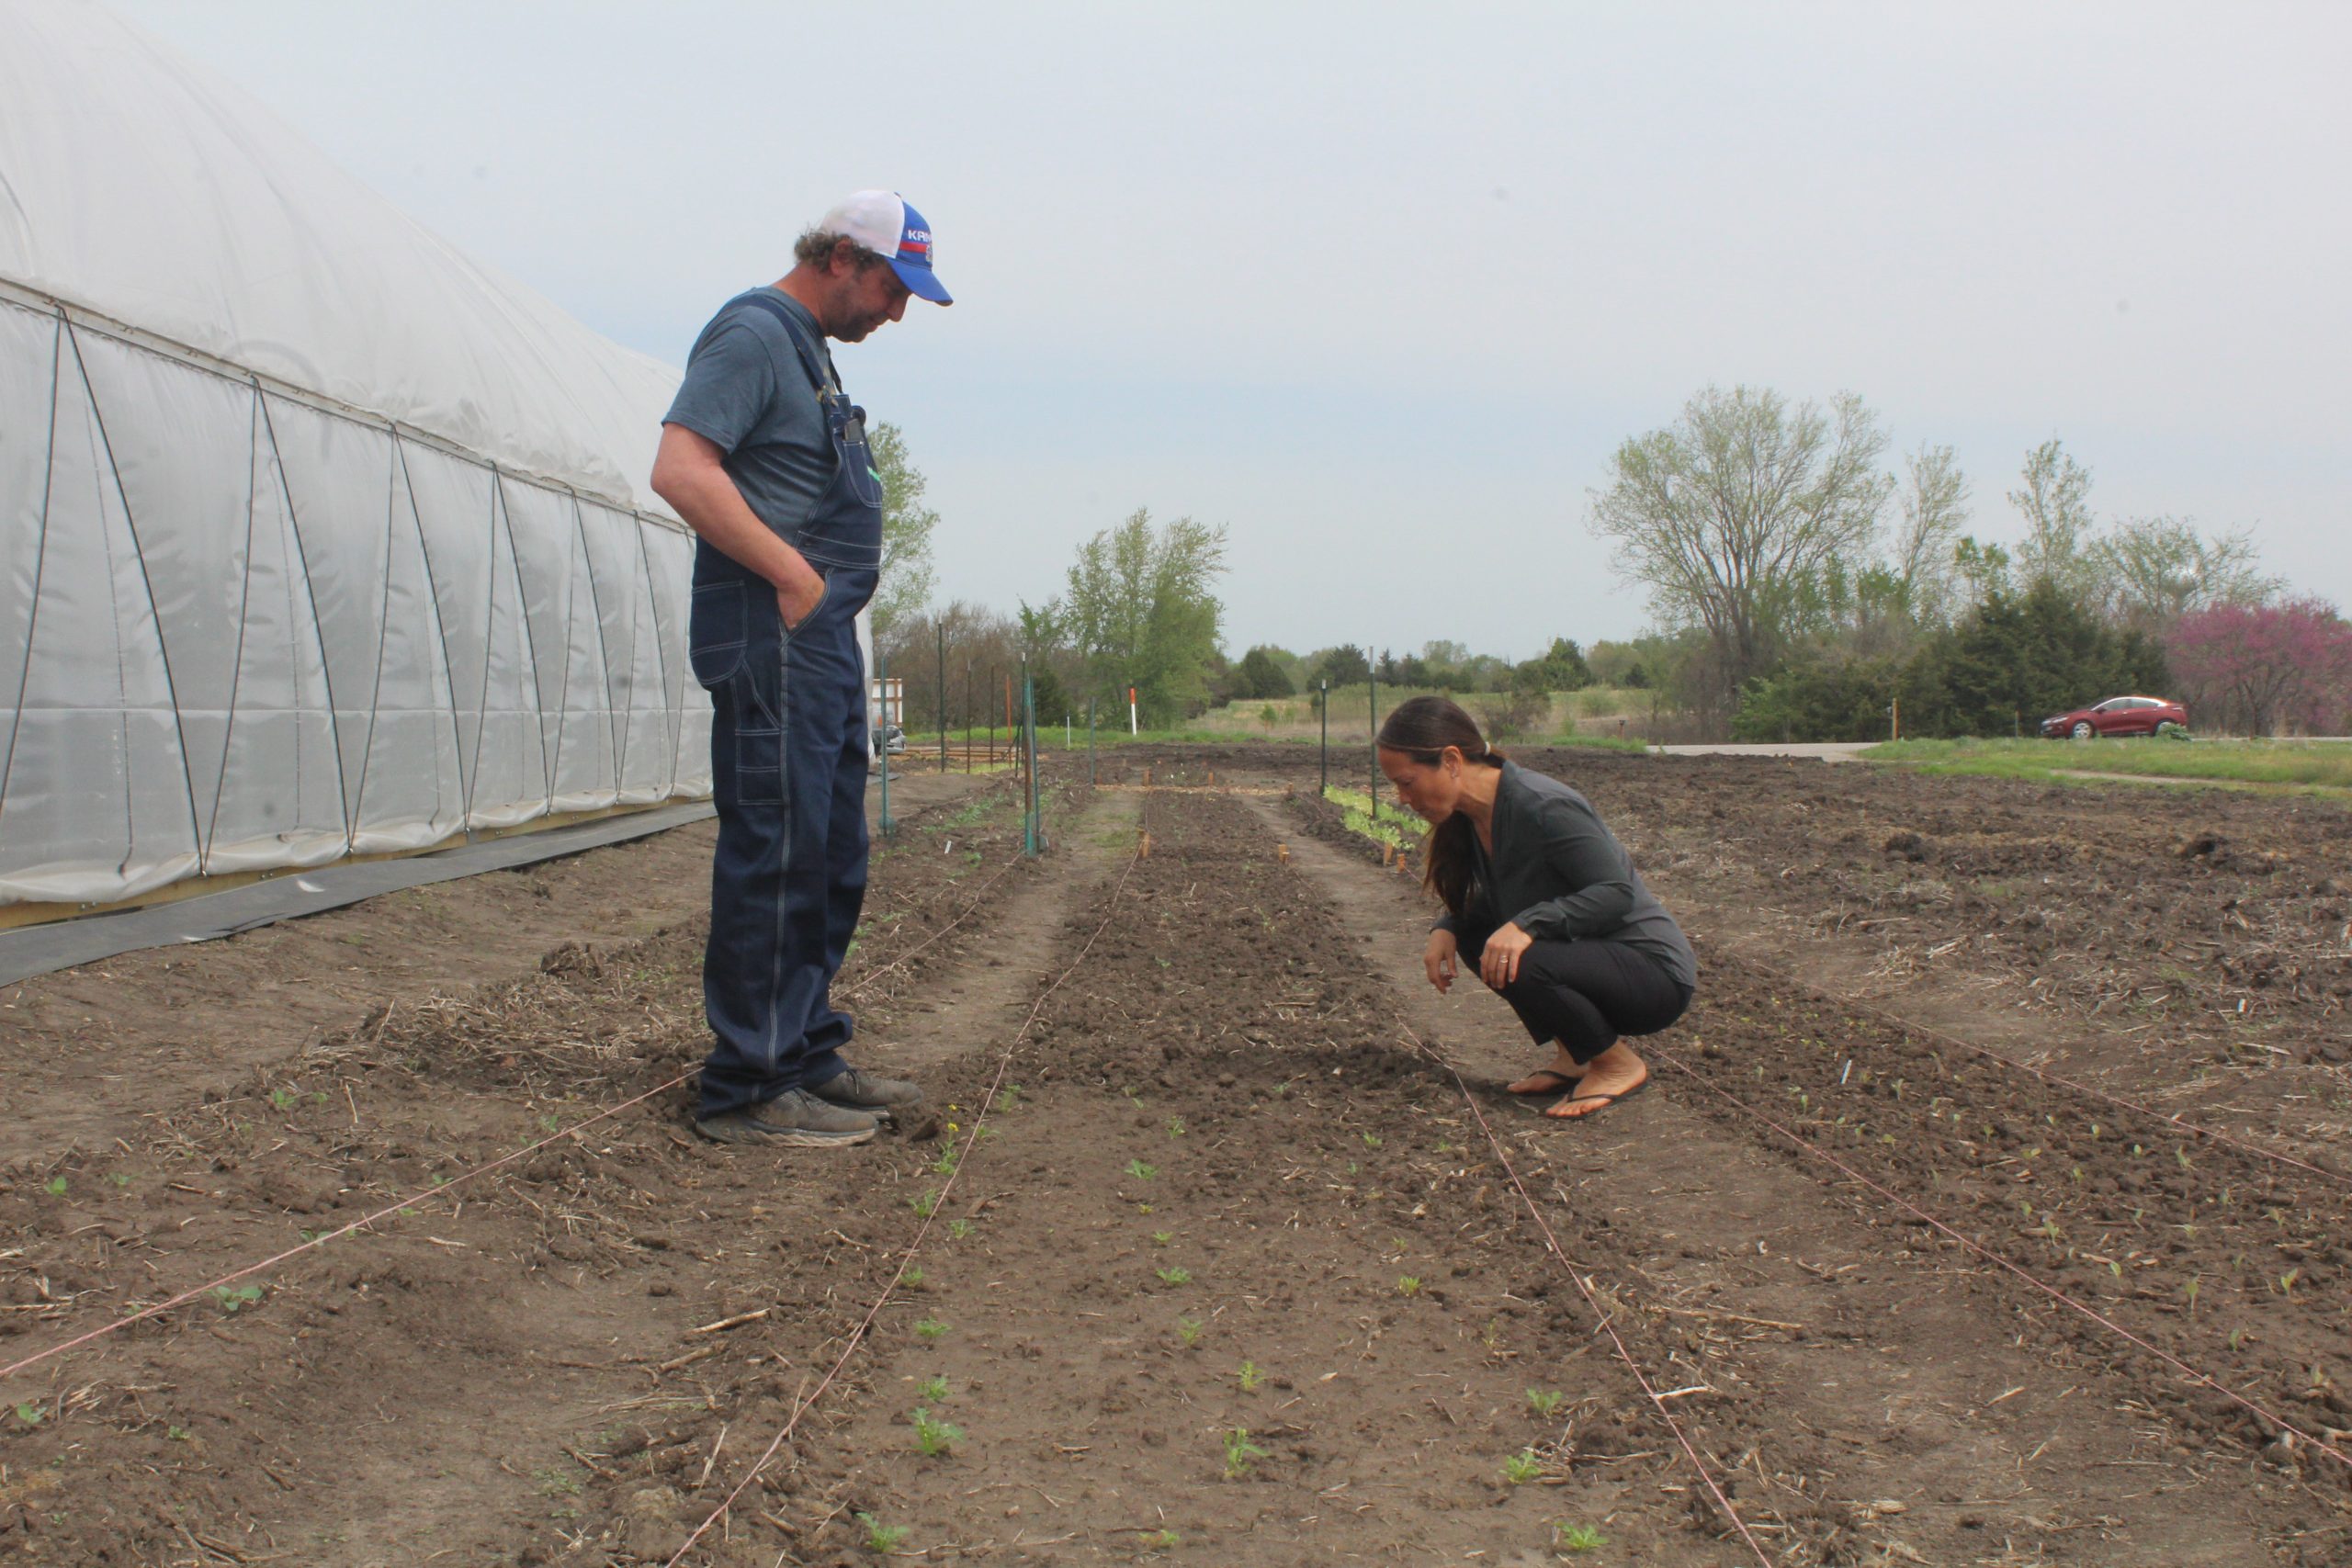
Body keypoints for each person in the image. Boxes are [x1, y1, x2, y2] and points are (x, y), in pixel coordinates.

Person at [650, 191, 952, 1147]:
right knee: (776, 853)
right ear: (834, 256)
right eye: (889, 287)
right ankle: (746, 1085)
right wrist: (789, 578)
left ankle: (803, 1049)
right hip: (771, 629)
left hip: (816, 641)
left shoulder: (808, 352)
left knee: (828, 854)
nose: (896, 312)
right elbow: (681, 468)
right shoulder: (751, 333)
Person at [1376, 696, 1695, 1120]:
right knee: (1478, 938)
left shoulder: (1543, 806)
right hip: (1599, 961)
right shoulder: (1475, 817)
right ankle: (1574, 1057)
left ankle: (1617, 1065)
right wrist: (1448, 925)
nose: (1400, 797)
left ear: (1451, 760)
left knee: (1520, 952)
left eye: (1407, 782)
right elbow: (1505, 892)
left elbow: (1615, 892)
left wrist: (1527, 924)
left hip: (1653, 974)